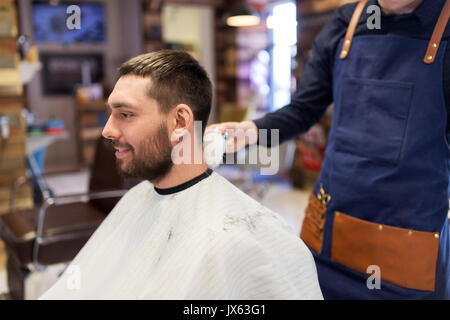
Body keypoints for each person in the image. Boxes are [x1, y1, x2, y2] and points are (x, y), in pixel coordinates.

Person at [206, 0, 450, 299]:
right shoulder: (347, 22)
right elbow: (304, 109)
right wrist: (252, 130)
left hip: (408, 245)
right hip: (329, 231)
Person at [39, 50, 323, 299]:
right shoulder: (138, 198)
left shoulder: (242, 239)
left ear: (179, 122)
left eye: (125, 114)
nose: (107, 131)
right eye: (110, 114)